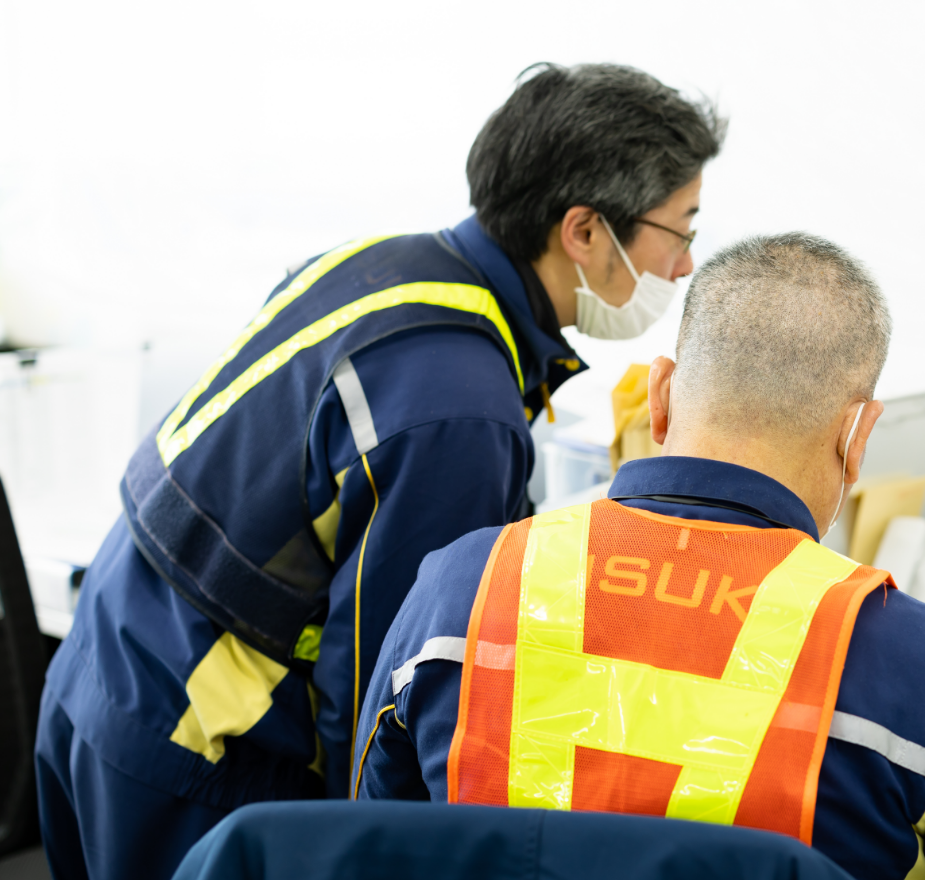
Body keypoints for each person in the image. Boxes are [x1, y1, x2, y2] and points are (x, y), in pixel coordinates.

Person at [34, 62, 726, 880]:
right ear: (583, 230)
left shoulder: (377, 265)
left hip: (100, 666)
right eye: (681, 229)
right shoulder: (458, 410)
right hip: (196, 744)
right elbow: (382, 688)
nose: (684, 266)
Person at [352, 233, 925, 880]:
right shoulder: (921, 668)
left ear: (659, 396)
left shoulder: (462, 588)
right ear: (857, 436)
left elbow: (364, 841)